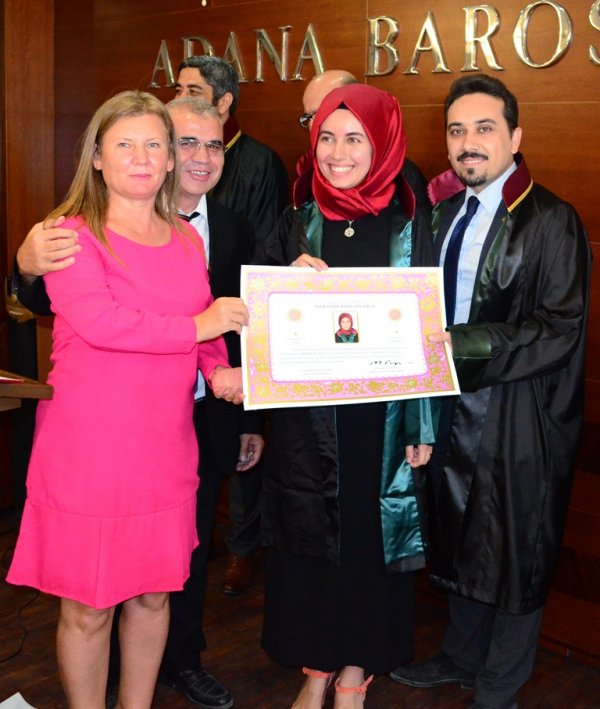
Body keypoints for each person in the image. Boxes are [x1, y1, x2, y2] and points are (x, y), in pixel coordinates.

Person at [11, 97, 264, 709]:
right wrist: (202, 328)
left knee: (154, 596)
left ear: (171, 158)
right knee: (89, 606)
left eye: (155, 144)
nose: (142, 157)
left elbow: (202, 325)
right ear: (97, 158)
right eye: (124, 144)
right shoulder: (71, 235)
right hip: (90, 450)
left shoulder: (186, 237)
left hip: (165, 446)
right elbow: (104, 324)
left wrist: (219, 369)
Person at [389, 74, 591, 709]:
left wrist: (463, 343)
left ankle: (500, 685)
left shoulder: (552, 219)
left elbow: (559, 328)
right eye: (456, 130)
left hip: (520, 411)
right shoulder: (444, 213)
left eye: (484, 128)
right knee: (461, 533)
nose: (468, 142)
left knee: (514, 546)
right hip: (451, 404)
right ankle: (461, 655)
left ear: (515, 137)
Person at [260, 83, 436, 708]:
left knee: (368, 541)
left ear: (382, 143)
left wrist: (421, 424)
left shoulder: (411, 225)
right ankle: (315, 668)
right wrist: (282, 285)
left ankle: (356, 672)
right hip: (310, 420)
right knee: (311, 540)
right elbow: (257, 322)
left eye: (355, 138)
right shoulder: (295, 219)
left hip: (382, 420)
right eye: (327, 138)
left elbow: (430, 329)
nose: (338, 153)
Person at [176, 56, 289, 595]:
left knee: (194, 551)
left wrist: (251, 417)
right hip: (139, 419)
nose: (202, 157)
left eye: (213, 146)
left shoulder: (235, 227)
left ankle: (188, 647)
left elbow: (249, 313)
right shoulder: (123, 220)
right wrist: (27, 265)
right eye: (187, 143)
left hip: (212, 408)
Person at [297, 70, 431, 215]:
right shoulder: (311, 174)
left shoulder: (403, 182)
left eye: (353, 140)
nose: (314, 124)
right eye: (309, 117)